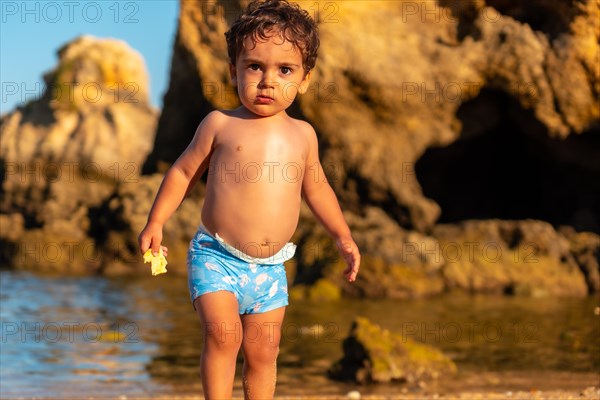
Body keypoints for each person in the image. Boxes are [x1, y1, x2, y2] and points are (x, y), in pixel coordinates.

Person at [138, 0, 360, 398]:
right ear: (233, 71)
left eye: (285, 70)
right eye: (254, 66)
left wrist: (342, 236)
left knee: (264, 351)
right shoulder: (220, 125)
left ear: (305, 80)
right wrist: (156, 222)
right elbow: (184, 173)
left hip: (271, 268)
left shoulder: (304, 136)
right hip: (216, 256)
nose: (267, 80)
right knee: (223, 338)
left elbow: (318, 188)